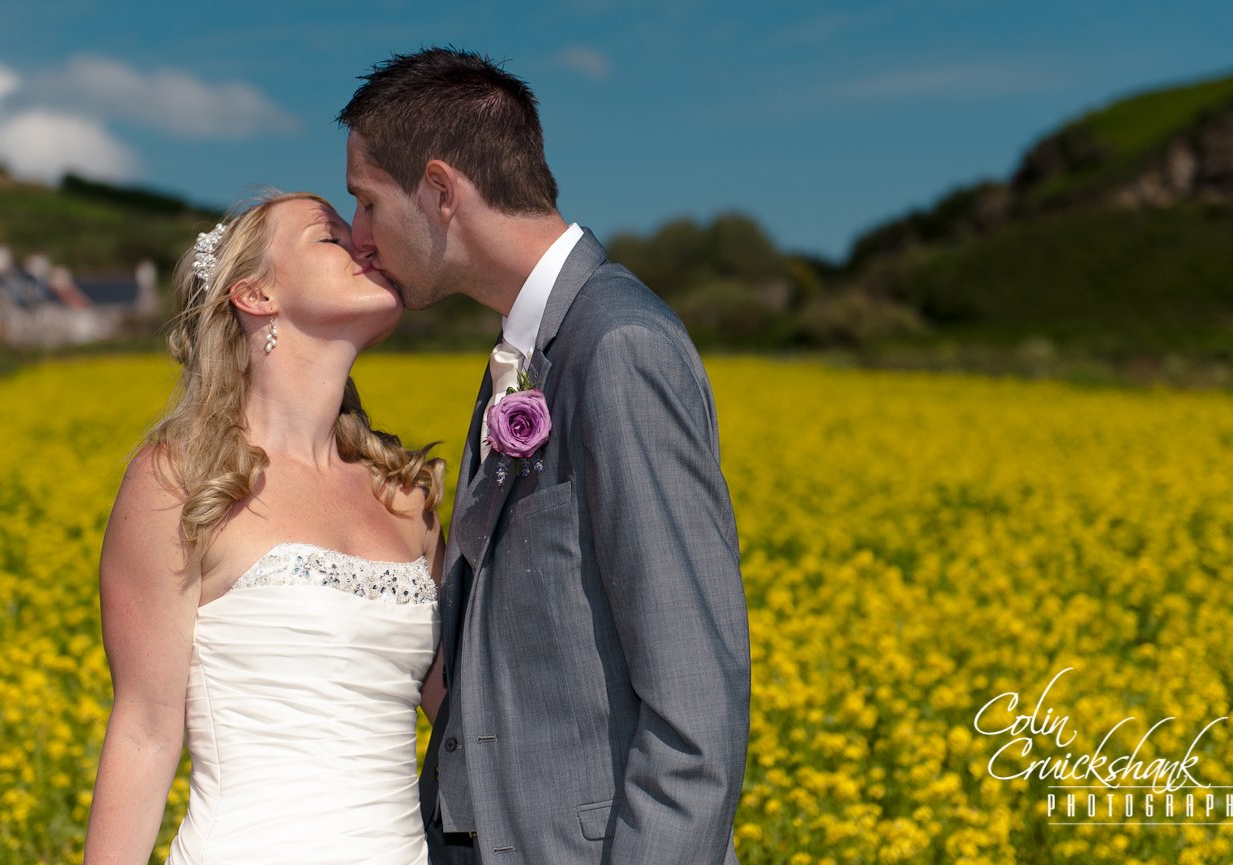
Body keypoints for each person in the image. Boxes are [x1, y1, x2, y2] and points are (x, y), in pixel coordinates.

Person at [339, 48, 751, 865]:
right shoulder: (521, 354)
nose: (359, 236)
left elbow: (697, 711)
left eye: (367, 201)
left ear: (441, 190)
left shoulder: (619, 343)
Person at [83, 190, 448, 865]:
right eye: (331, 237)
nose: (367, 244)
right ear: (256, 294)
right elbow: (143, 732)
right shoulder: (182, 480)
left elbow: (466, 719)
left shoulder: (405, 498)